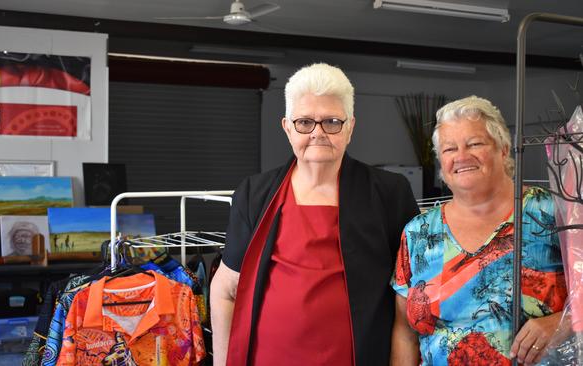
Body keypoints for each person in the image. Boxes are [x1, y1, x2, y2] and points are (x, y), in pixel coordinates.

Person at [211, 63, 419, 366]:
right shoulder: (254, 194)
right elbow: (225, 290)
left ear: (350, 127)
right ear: (287, 127)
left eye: (332, 121)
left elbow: (411, 296)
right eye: (305, 122)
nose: (318, 133)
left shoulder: (389, 193)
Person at [390, 96, 568, 365]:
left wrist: (563, 322)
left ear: (504, 149)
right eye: (450, 149)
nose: (461, 156)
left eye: (475, 144)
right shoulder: (419, 234)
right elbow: (405, 333)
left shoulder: (552, 214)